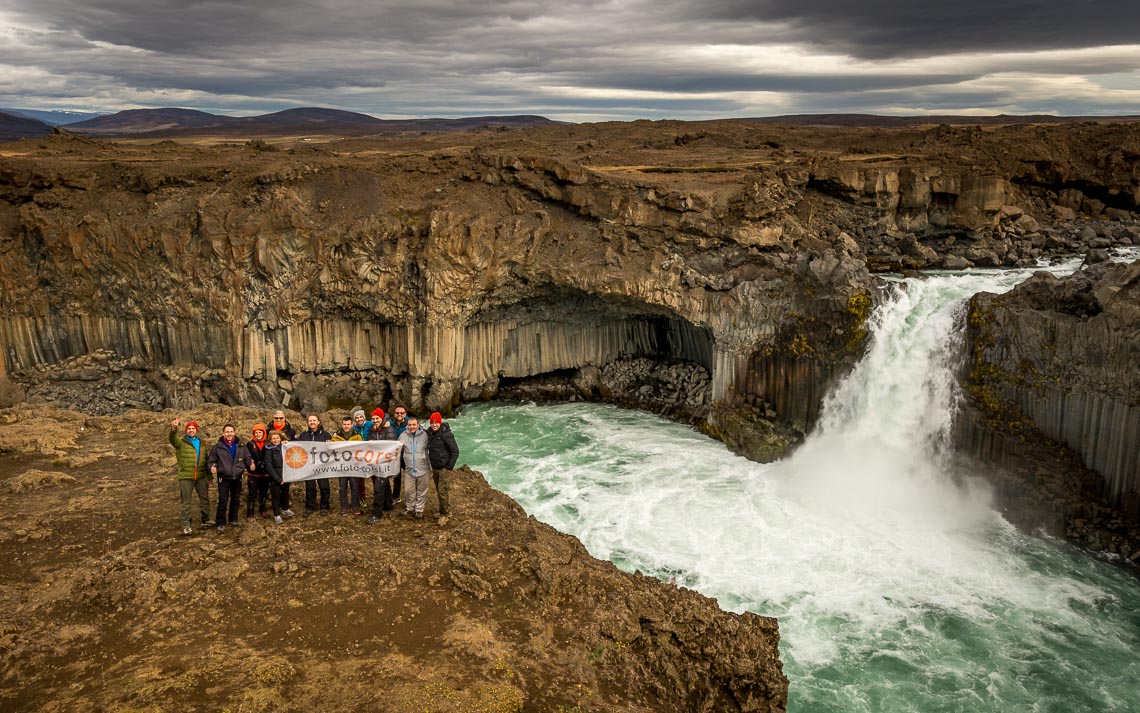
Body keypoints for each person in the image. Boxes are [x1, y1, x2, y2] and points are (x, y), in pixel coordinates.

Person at [168, 417, 212, 536]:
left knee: (204, 498)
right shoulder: (181, 443)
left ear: (196, 430)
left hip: (201, 475)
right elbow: (172, 439)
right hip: (186, 477)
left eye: (193, 428)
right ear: (186, 430)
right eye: (189, 428)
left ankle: (206, 519)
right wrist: (174, 428)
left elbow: (206, 460)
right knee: (186, 501)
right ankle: (186, 525)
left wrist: (210, 477)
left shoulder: (203, 444)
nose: (191, 430)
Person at [207, 424, 253, 532]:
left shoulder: (241, 445)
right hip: (224, 477)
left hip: (237, 477)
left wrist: (250, 464)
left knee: (235, 499)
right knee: (223, 500)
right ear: (223, 433)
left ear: (234, 432)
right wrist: (211, 467)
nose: (229, 434)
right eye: (227, 432)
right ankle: (220, 523)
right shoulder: (217, 447)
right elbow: (210, 460)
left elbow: (248, 458)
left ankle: (233, 519)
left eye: (231, 431)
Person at [426, 412, 459, 520]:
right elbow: (419, 431)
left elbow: (455, 451)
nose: (434, 425)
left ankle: (444, 515)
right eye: (432, 423)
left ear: (440, 423)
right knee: (440, 491)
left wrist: (449, 467)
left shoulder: (446, 434)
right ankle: (446, 511)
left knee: (442, 492)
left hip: (443, 468)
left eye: (436, 423)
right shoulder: (429, 432)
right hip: (434, 467)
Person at [296, 414, 331, 515]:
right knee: (310, 487)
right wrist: (286, 443)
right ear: (307, 423)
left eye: (314, 420)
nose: (312, 423)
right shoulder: (304, 435)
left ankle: (324, 506)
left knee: (324, 486)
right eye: (310, 421)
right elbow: (297, 446)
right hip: (309, 465)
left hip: (322, 465)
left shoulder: (325, 434)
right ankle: (310, 506)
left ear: (318, 422)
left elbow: (332, 450)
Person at [366, 408, 397, 524]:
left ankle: (377, 514)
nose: (375, 420)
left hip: (386, 463)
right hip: (376, 463)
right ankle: (388, 505)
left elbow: (391, 446)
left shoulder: (389, 430)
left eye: (377, 418)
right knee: (385, 484)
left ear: (382, 418)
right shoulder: (372, 430)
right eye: (373, 418)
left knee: (378, 487)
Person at [398, 416, 431, 519]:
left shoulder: (425, 435)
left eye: (414, 425)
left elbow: (435, 446)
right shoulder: (403, 435)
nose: (412, 427)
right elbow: (395, 448)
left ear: (418, 425)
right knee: (408, 490)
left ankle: (419, 509)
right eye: (410, 425)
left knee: (422, 490)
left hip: (423, 467)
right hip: (409, 469)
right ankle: (410, 507)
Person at [331, 415, 364, 516]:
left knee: (355, 486)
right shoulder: (336, 437)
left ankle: (355, 505)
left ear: (352, 425)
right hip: (341, 467)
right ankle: (344, 506)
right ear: (342, 424)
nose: (346, 426)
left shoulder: (357, 436)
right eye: (344, 424)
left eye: (348, 424)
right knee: (342, 487)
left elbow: (362, 448)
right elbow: (331, 450)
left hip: (354, 466)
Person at [262, 430, 295, 524]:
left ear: (280, 438)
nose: (276, 440)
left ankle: (285, 508)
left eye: (277, 438)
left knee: (286, 493)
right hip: (275, 476)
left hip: (286, 474)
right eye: (273, 438)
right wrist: (278, 479)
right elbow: (268, 465)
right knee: (275, 496)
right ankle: (277, 514)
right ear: (270, 440)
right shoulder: (268, 449)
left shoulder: (285, 446)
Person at [246, 423, 270, 519]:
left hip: (265, 474)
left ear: (264, 433)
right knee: (252, 493)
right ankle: (250, 512)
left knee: (263, 493)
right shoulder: (249, 444)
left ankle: (262, 509)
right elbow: (247, 456)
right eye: (256, 432)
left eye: (260, 432)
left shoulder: (268, 444)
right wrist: (250, 464)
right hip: (253, 474)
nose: (258, 434)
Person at [390, 406, 410, 501]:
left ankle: (409, 498)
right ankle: (396, 496)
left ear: (405, 414)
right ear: (394, 414)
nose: (399, 415)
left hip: (407, 455)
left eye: (401, 413)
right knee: (396, 477)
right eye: (397, 413)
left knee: (409, 478)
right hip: (396, 455)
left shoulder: (410, 424)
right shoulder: (390, 424)